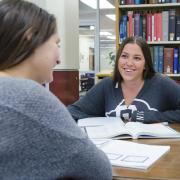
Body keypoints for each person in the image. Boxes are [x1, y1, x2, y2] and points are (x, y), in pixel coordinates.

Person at [0, 0, 112, 179]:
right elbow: (99, 171)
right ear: (31, 36)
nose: (59, 59)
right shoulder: (27, 95)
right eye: (57, 44)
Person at [68, 36, 180, 123]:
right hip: (114, 150)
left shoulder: (160, 83)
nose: (129, 63)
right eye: (124, 56)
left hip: (154, 149)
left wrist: (153, 117)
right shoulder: (107, 85)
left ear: (146, 64)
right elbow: (72, 112)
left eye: (137, 58)